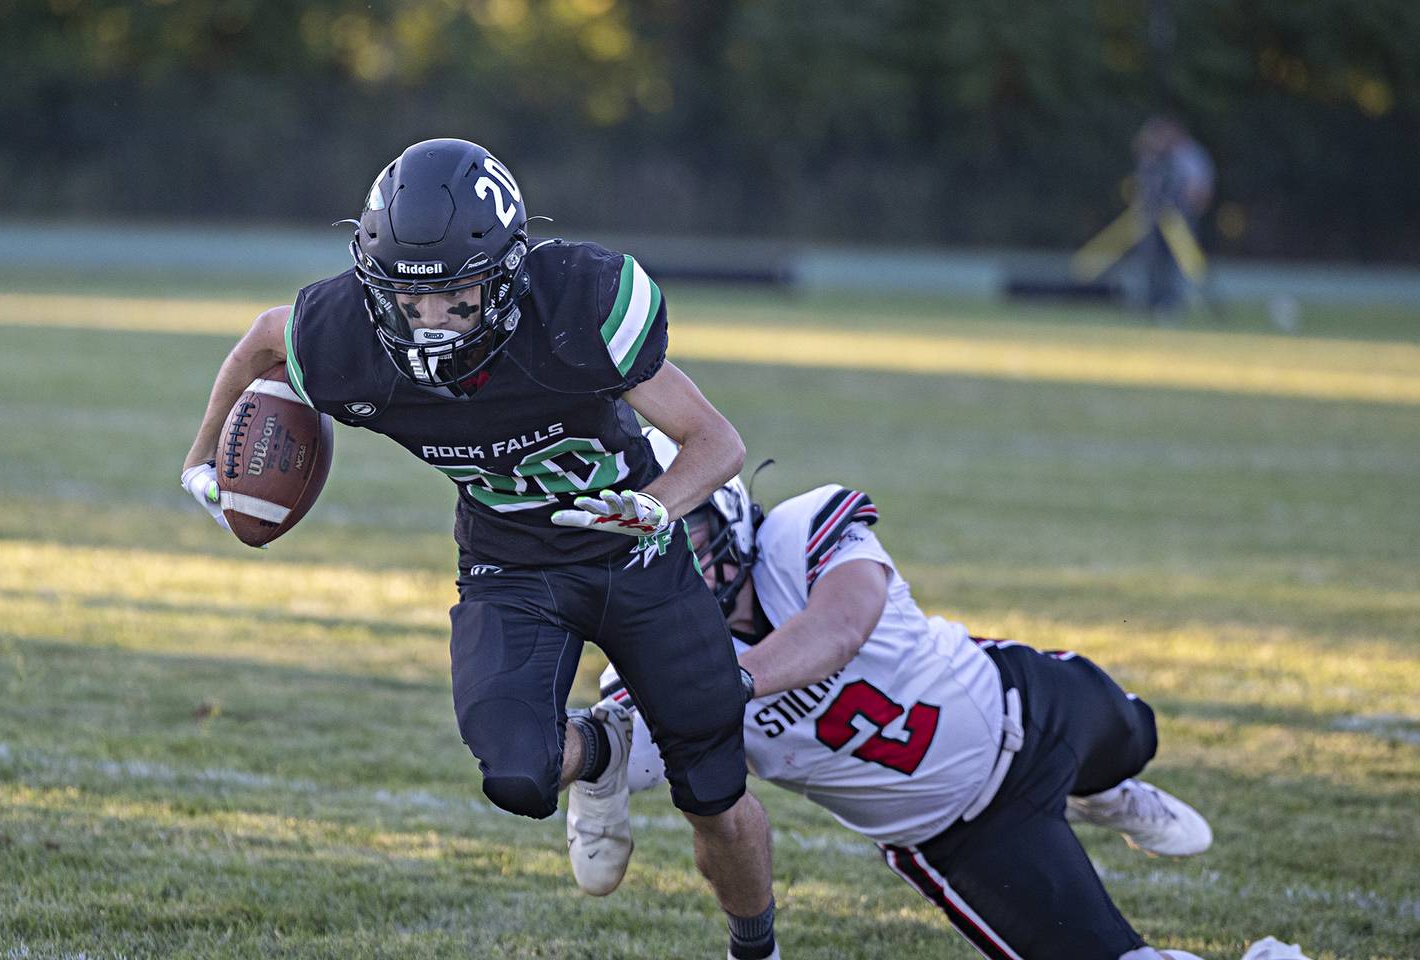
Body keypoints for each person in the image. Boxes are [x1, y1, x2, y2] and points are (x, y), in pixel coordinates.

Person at [179, 138, 778, 960]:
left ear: (506, 273)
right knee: (516, 773)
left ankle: (757, 946)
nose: (428, 320)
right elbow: (259, 342)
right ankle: (603, 747)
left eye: (456, 295)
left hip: (635, 554)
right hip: (511, 564)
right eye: (406, 297)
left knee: (714, 794)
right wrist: (200, 453)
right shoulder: (345, 336)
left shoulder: (576, 302)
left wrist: (655, 506)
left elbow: (716, 440)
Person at [583, 429, 1241, 960]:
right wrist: (594, 756)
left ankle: (1104, 793)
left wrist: (727, 686)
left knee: (1138, 735)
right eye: (647, 549)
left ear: (722, 510)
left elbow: (840, 627)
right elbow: (628, 756)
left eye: (682, 535)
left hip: (1026, 705)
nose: (674, 565)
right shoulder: (655, 661)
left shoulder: (799, 530)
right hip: (963, 834)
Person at [1132, 116, 1215, 318]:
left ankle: (1177, 302)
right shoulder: (1153, 156)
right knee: (1152, 260)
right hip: (1154, 218)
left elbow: (1197, 188)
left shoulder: (1187, 155)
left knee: (1182, 263)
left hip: (1178, 219)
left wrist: (1189, 211)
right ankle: (1153, 300)